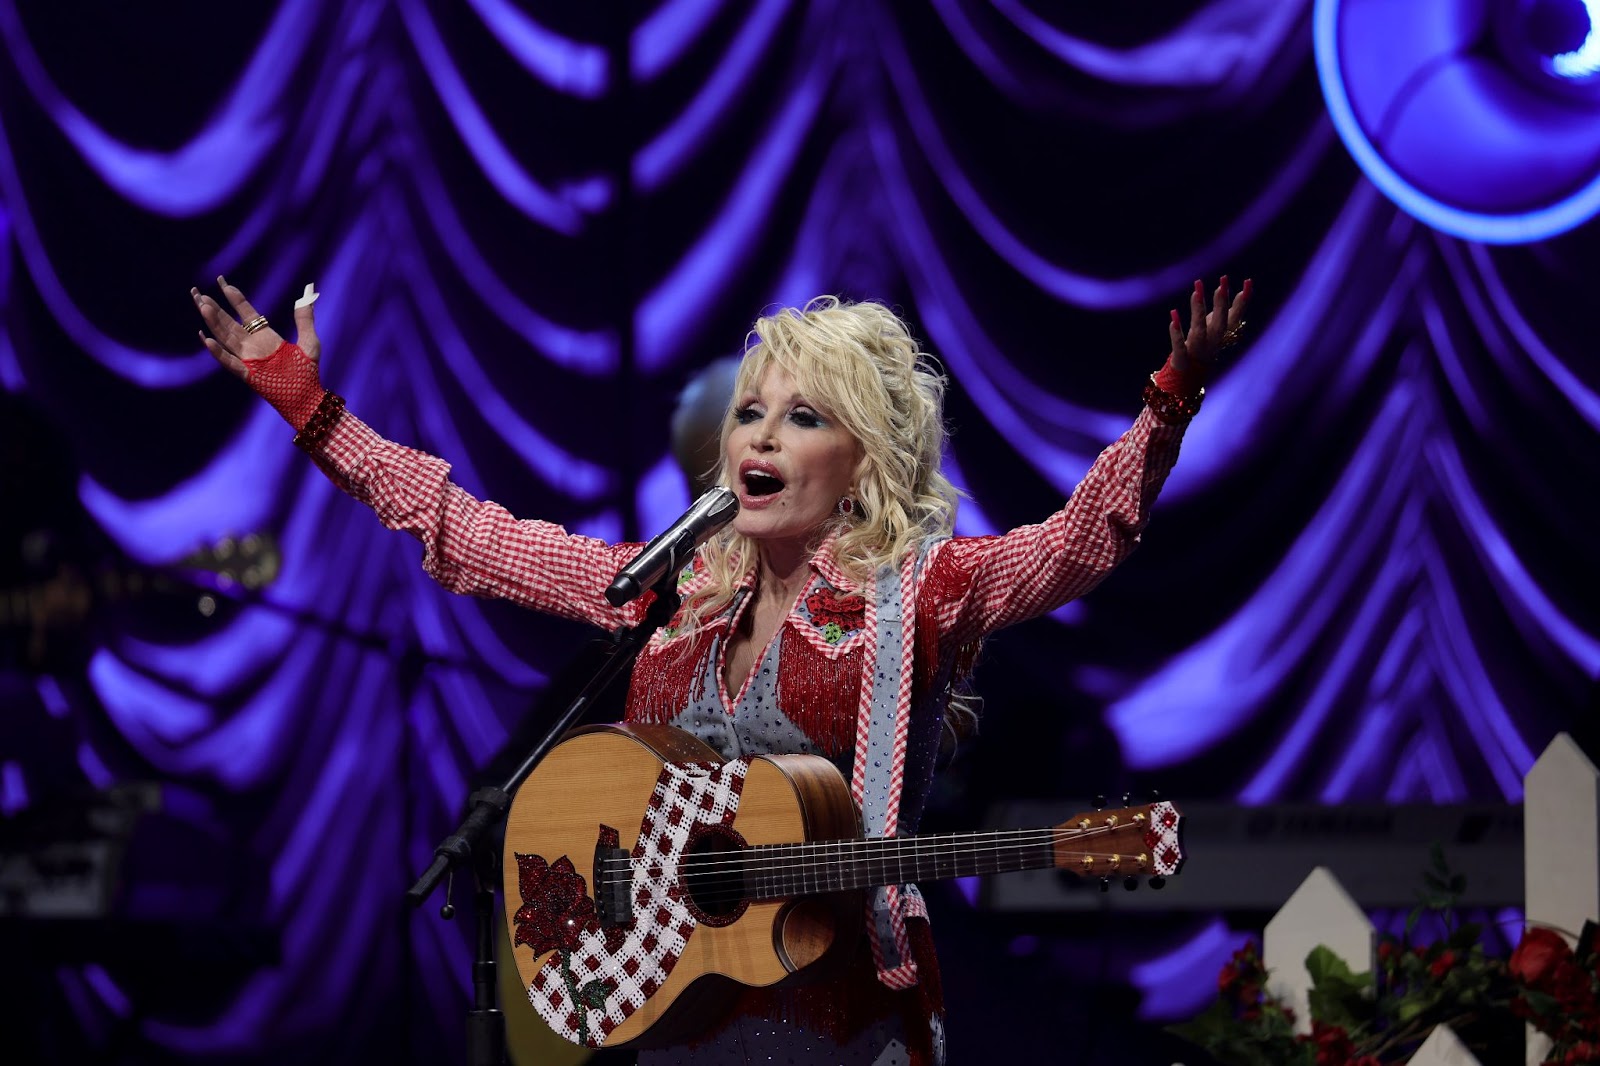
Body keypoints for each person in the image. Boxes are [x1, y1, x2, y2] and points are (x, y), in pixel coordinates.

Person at [191, 274, 1249, 1066]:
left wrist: (1168, 402)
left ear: (864, 460)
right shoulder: (672, 588)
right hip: (677, 1010)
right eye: (752, 411)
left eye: (804, 415)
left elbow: (1074, 546)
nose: (761, 433)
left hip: (844, 1016)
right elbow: (467, 534)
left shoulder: (915, 592)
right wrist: (311, 411)